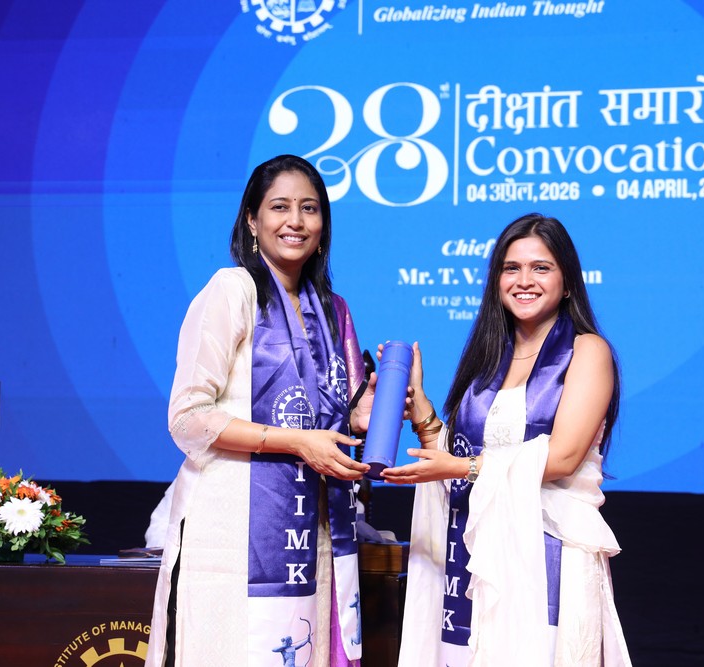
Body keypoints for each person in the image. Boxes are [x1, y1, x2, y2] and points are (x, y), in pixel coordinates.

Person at [145, 154, 374, 667]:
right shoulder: (232, 291)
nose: (296, 221)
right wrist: (295, 442)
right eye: (280, 207)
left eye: (309, 208)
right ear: (252, 219)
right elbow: (187, 417)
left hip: (309, 533)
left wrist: (369, 413)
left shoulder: (333, 311)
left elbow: (341, 421)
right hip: (229, 530)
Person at [382, 213, 632, 666]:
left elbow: (563, 457)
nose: (524, 280)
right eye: (511, 268)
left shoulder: (587, 351)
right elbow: (462, 461)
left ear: (567, 282)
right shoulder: (489, 358)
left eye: (541, 268)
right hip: (476, 555)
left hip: (550, 557)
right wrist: (422, 410)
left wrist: (461, 467)